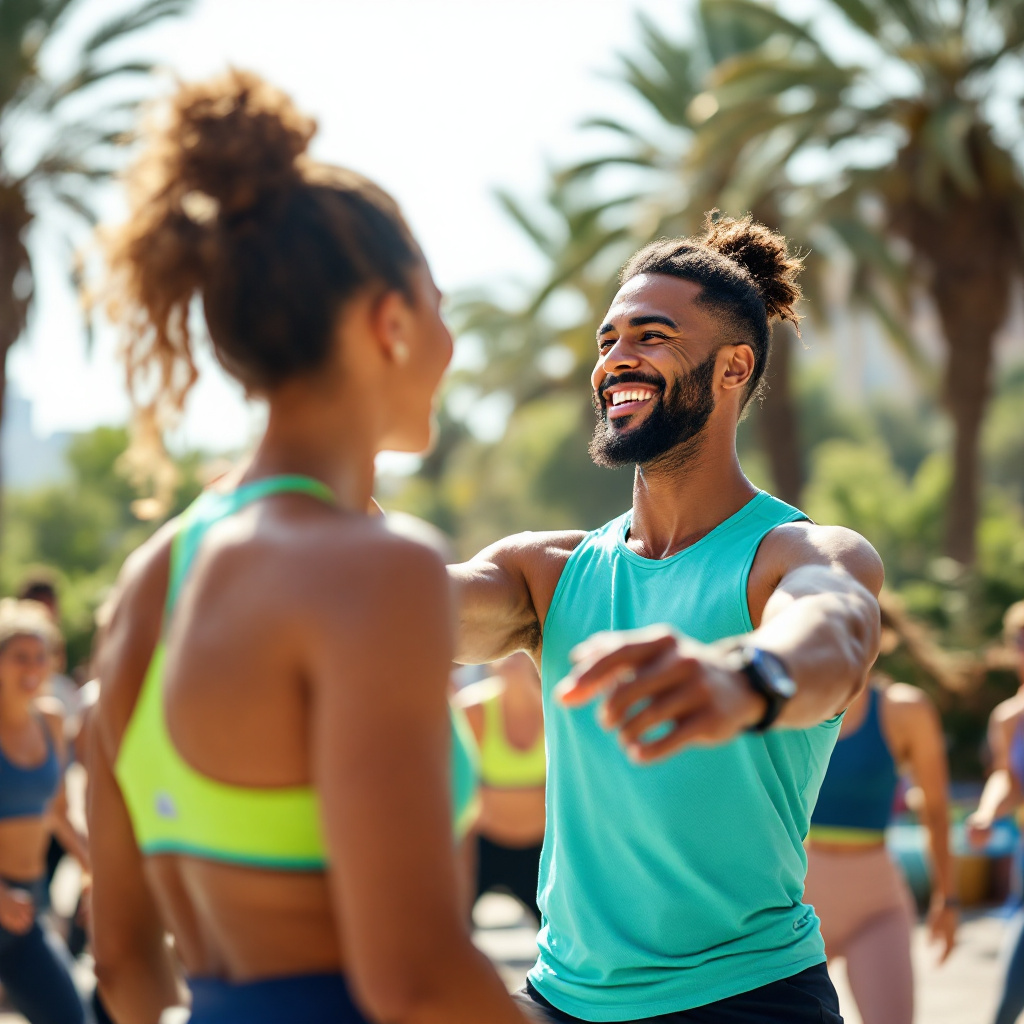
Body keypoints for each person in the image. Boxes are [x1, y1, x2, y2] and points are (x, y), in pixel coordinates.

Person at [88, 71, 528, 1024]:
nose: (451, 342)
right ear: (391, 322)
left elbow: (122, 964)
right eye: (440, 305)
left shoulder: (152, 577)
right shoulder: (377, 570)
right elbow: (414, 983)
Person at [449, 213, 884, 1023]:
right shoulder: (549, 573)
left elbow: (834, 632)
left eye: (650, 336)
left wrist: (744, 675)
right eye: (608, 340)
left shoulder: (797, 554)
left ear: (733, 368)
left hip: (746, 998)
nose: (617, 360)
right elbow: (425, 611)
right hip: (562, 997)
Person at [804, 671, 957, 1024]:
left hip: (876, 906)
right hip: (798, 903)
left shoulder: (905, 709)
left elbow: (935, 809)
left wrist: (947, 897)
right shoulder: (782, 697)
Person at [0, 599, 88, 1024]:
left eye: (41, 657)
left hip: (27, 908)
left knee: (71, 1016)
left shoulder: (51, 721)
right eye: (19, 657)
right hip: (2, 898)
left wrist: (98, 872)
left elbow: (58, 813)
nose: (32, 668)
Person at [456, 652, 546, 923]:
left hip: (540, 852)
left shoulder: (555, 709)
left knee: (558, 940)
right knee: (455, 928)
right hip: (484, 846)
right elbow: (460, 792)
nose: (515, 658)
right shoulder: (473, 710)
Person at [967, 600, 1024, 1024]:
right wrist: (987, 813)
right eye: (1021, 640)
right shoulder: (1008, 718)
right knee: (1006, 1007)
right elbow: (1008, 779)